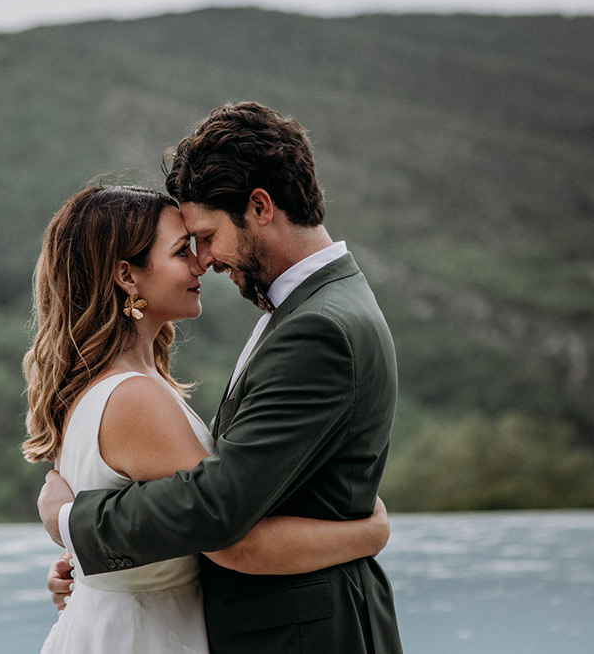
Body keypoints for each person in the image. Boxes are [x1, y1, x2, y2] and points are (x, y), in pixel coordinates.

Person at [37, 103, 403, 653]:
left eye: (202, 237)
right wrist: (92, 564)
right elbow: (219, 513)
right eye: (186, 247)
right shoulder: (308, 311)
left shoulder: (316, 326)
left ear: (259, 207)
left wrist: (73, 524)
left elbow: (217, 510)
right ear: (125, 276)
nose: (203, 260)